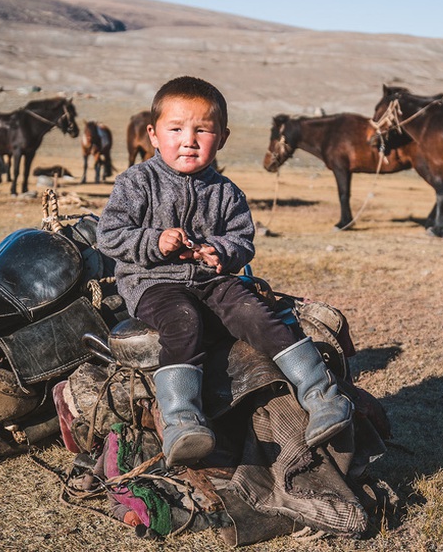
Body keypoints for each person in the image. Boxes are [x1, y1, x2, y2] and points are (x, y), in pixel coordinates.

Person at [96, 76, 352, 467]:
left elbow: (241, 240)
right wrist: (154, 241)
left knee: (257, 313)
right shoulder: (136, 182)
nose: (189, 140)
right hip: (152, 283)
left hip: (213, 281)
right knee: (182, 322)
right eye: (176, 129)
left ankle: (322, 397)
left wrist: (222, 252)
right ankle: (183, 420)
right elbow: (110, 235)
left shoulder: (227, 191)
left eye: (203, 130)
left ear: (223, 137)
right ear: (153, 134)